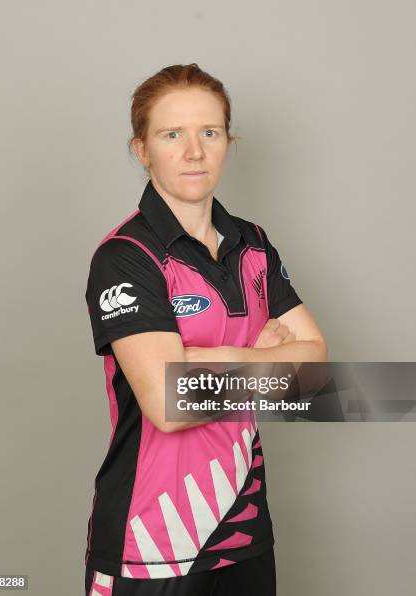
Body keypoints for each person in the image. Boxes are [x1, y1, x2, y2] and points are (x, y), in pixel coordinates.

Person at [84, 63, 327, 596]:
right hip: (151, 543)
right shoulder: (125, 258)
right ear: (142, 149)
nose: (194, 151)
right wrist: (256, 354)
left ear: (226, 141)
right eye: (173, 134)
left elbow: (312, 378)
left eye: (209, 132)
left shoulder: (255, 244)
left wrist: (197, 359)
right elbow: (169, 403)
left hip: (244, 529)